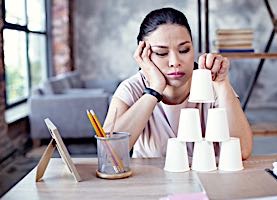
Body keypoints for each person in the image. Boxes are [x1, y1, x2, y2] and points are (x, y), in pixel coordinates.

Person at [103, 7, 252, 159]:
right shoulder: (132, 88)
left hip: (210, 180)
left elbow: (242, 151)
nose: (175, 62)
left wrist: (222, 84)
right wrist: (154, 89)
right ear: (143, 55)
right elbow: (109, 152)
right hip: (153, 181)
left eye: (184, 50)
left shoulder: (213, 82)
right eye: (161, 53)